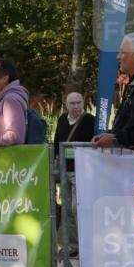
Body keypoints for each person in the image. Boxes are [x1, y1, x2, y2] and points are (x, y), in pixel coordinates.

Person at [53, 91, 96, 257]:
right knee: (67, 209)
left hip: (82, 170)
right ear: (66, 105)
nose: (76, 106)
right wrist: (56, 158)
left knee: (77, 208)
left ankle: (85, 245)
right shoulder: (62, 119)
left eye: (79, 102)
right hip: (65, 169)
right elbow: (57, 141)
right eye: (73, 103)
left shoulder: (90, 121)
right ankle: (72, 246)